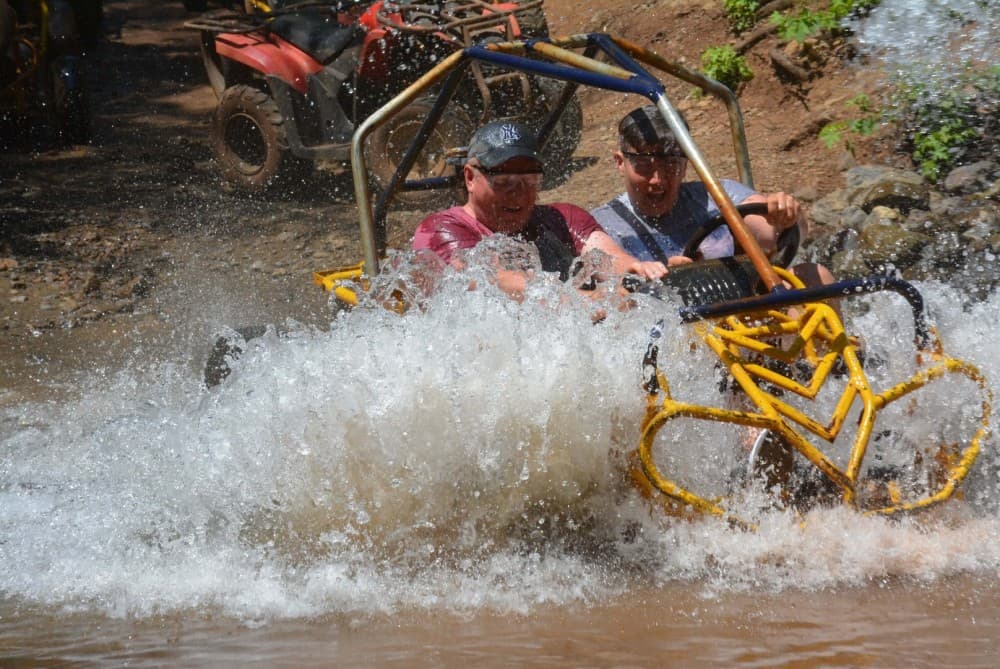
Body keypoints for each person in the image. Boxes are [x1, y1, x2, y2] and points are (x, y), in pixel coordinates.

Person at [412, 120, 668, 300]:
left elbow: (606, 257)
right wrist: (600, 301)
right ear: (469, 177)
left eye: (530, 181)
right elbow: (510, 289)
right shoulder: (440, 232)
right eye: (504, 182)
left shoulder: (563, 219)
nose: (519, 194)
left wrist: (643, 273)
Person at [590, 104, 833, 289]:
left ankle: (837, 355)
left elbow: (770, 232)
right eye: (643, 165)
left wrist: (784, 215)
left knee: (815, 276)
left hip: (742, 318)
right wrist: (676, 282)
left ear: (687, 165)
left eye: (672, 164)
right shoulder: (600, 227)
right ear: (620, 163)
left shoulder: (717, 196)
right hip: (668, 334)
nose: (658, 180)